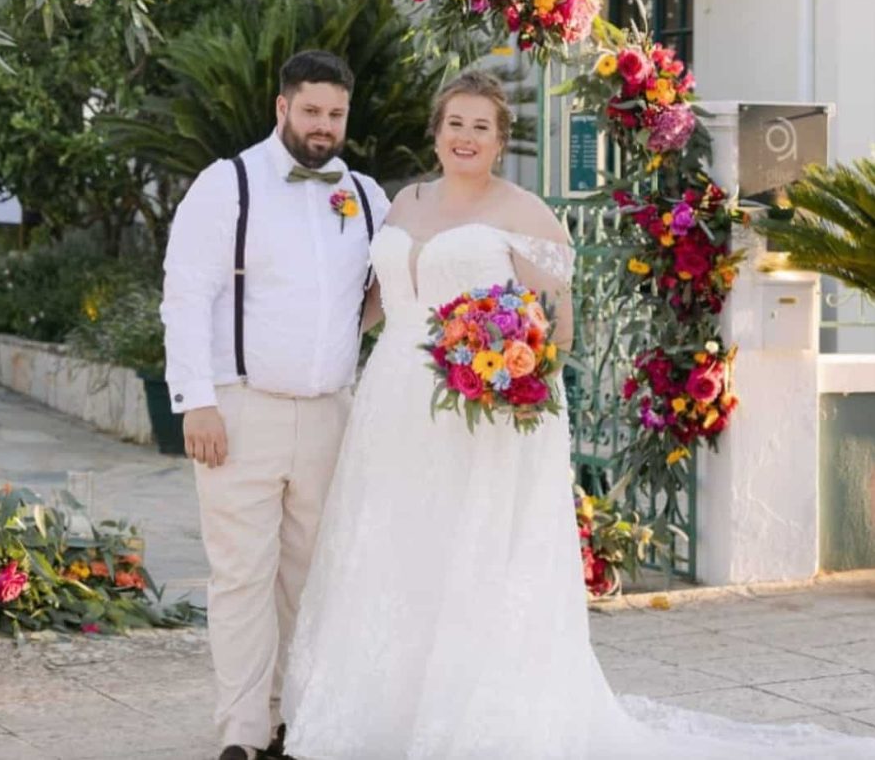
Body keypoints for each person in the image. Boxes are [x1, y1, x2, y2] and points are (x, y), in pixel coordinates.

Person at [280, 70, 875, 759]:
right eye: (455, 124)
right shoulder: (403, 202)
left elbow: (557, 329)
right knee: (391, 549)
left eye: (481, 127)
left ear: (499, 141)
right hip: (390, 404)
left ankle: (461, 721)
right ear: (436, 133)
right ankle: (383, 715)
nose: (466, 137)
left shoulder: (524, 212)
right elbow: (379, 299)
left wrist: (504, 376)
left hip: (475, 414)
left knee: (466, 557)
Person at [160, 50, 389, 760]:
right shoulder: (227, 183)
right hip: (239, 411)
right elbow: (184, 295)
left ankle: (292, 720)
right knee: (241, 578)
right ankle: (242, 732)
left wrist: (348, 334)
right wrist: (195, 401)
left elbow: (386, 288)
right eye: (311, 110)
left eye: (336, 114)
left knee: (311, 580)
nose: (324, 126)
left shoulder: (366, 196)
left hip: (330, 415)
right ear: (282, 107)